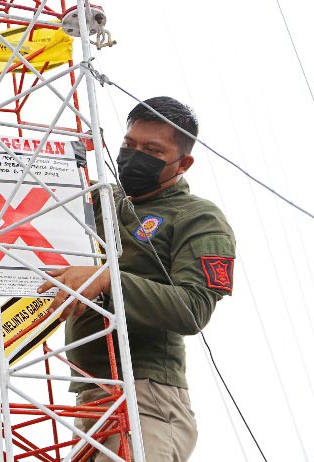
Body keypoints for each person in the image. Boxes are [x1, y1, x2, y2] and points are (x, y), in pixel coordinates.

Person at [38, 96, 236, 461]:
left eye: (152, 149)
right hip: (90, 395)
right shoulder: (101, 200)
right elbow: (29, 193)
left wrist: (109, 279)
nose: (134, 155)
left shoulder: (198, 218)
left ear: (184, 163)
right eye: (129, 145)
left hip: (147, 397)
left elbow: (193, 309)